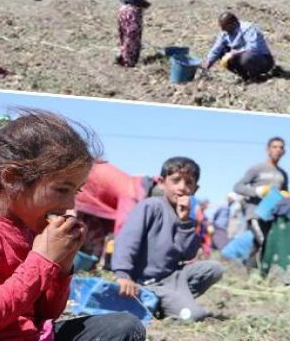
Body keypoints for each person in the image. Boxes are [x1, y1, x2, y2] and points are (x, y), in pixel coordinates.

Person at [0, 110, 146, 340]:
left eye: (76, 191)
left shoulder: (32, 229)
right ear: (11, 179)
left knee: (125, 326)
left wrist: (62, 264)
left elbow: (47, 313)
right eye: (62, 189)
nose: (70, 204)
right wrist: (42, 259)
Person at [113, 157, 223, 322]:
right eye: (176, 180)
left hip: (172, 278)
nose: (182, 187)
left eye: (188, 183)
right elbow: (129, 239)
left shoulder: (186, 216)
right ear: (162, 182)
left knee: (214, 268)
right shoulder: (151, 206)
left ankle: (167, 303)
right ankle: (157, 301)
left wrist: (184, 221)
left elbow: (188, 254)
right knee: (195, 315)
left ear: (195, 189)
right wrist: (123, 273)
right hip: (147, 282)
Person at [73, 160, 156, 265]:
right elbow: (124, 233)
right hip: (82, 186)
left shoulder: (133, 184)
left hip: (86, 183)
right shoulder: (131, 195)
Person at [232, 136, 288, 269]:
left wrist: (285, 196)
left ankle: (260, 276)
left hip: (272, 216)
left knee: (266, 246)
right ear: (267, 149)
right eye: (274, 147)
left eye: (281, 147)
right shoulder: (257, 169)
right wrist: (257, 191)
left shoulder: (283, 174)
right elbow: (238, 187)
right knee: (261, 241)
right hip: (256, 213)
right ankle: (252, 274)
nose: (278, 150)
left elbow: (285, 195)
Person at [203, 12, 275, 81]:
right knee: (222, 53)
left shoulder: (248, 28)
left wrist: (236, 52)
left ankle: (256, 77)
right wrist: (206, 66)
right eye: (222, 27)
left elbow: (253, 48)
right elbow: (216, 50)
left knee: (246, 57)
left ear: (233, 23)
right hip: (242, 57)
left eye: (225, 27)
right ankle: (245, 77)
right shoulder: (225, 33)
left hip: (262, 59)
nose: (223, 30)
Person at [116, 0, 150, 67]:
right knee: (132, 36)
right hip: (132, 11)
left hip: (124, 10)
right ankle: (129, 61)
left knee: (125, 35)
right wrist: (144, 4)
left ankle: (123, 57)